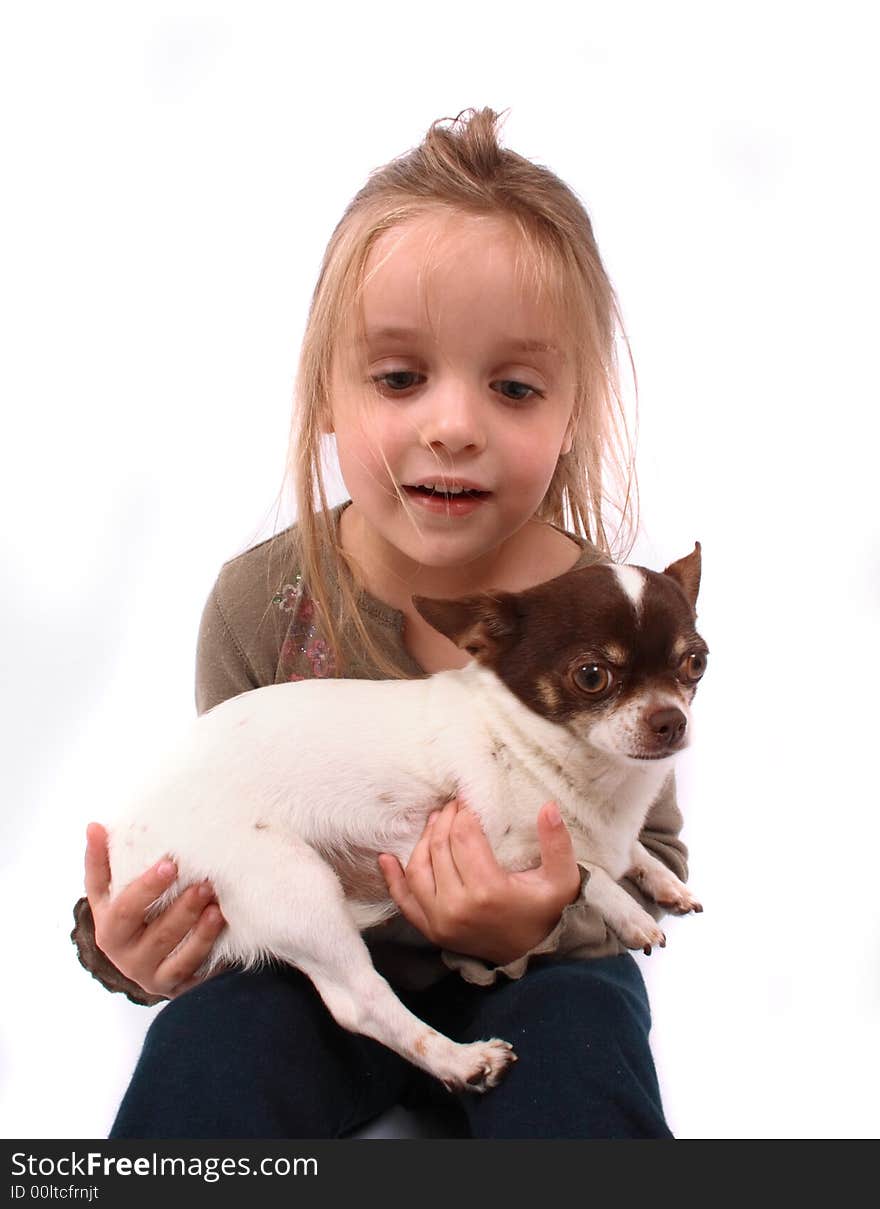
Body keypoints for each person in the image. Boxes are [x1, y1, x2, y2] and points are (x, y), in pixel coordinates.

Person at [72, 107, 688, 1139]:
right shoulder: (265, 606)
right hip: (309, 983)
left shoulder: (613, 611)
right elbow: (230, 826)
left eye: (514, 386)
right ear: (324, 395)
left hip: (549, 981)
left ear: (573, 409)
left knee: (589, 1088)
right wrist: (125, 951)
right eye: (400, 378)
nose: (452, 424)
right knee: (203, 1069)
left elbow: (652, 851)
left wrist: (536, 916)